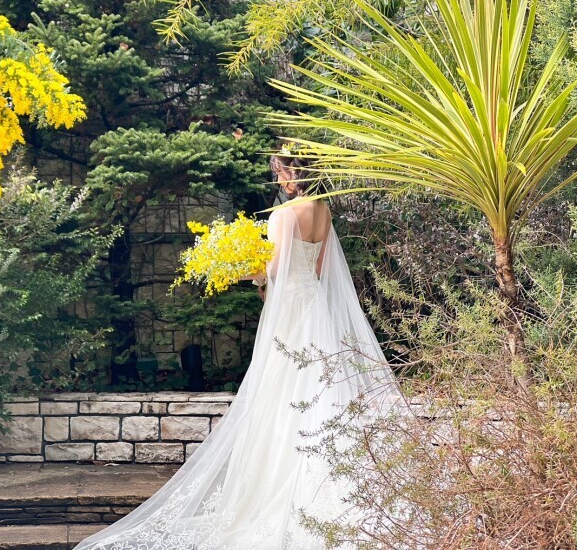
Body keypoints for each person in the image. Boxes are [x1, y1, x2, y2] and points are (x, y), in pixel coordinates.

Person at [75, 152, 404, 550]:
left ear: (291, 174)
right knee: (321, 392)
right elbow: (317, 271)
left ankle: (281, 491)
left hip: (289, 312)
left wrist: (248, 274)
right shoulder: (323, 211)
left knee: (280, 395)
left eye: (280, 172)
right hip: (315, 306)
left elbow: (278, 270)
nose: (279, 180)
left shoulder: (283, 214)